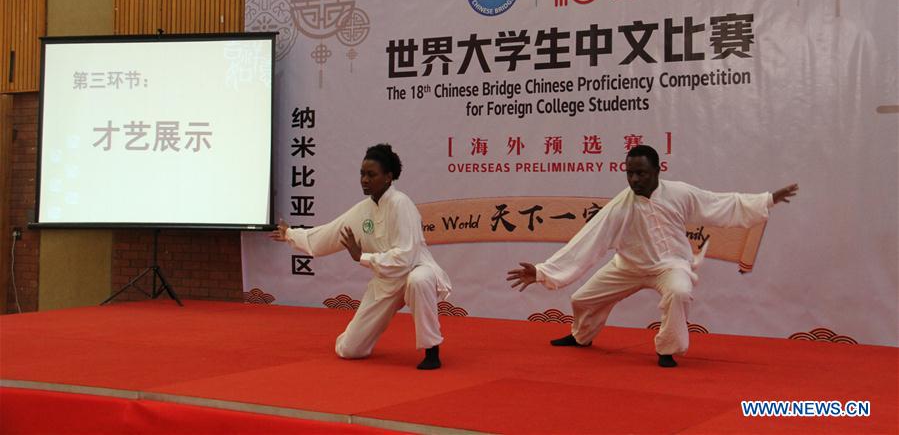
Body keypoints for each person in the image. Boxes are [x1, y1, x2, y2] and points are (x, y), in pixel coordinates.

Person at [506, 145, 798, 368]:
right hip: (628, 267)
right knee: (582, 299)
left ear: (658, 171)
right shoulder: (621, 205)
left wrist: (767, 199)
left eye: (641, 173)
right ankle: (581, 336)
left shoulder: (680, 193)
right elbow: (588, 241)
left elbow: (719, 204)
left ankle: (667, 350)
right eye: (630, 173)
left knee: (679, 292)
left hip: (671, 265)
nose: (635, 179)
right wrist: (544, 271)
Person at [271, 143, 451, 370]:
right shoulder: (361, 210)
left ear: (388, 177)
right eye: (362, 174)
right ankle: (355, 340)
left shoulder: (402, 204)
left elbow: (405, 257)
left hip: (414, 269)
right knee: (349, 350)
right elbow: (328, 234)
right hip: (385, 280)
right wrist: (290, 234)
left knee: (419, 280)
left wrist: (362, 257)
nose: (364, 180)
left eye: (371, 174)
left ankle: (432, 350)